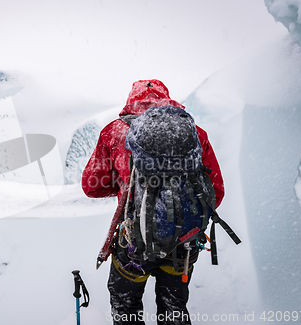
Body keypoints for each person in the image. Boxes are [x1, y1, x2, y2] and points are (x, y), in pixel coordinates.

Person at [81, 79, 224, 325]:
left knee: (125, 308)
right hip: (183, 242)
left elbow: (91, 186)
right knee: (174, 308)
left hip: (135, 242)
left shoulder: (114, 132)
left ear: (131, 101)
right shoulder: (195, 133)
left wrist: (128, 182)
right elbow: (216, 193)